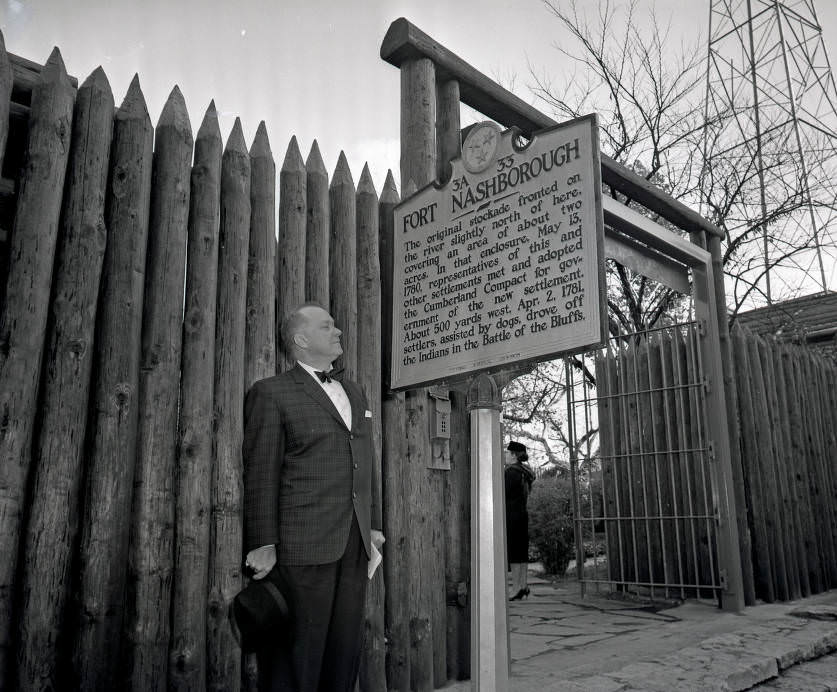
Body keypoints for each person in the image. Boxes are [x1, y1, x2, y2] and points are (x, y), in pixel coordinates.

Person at [242, 302, 385, 691]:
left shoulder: (355, 393)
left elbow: (366, 464)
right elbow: (260, 473)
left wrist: (373, 526)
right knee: (295, 658)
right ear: (302, 339)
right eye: (327, 326)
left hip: (354, 547)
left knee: (343, 653)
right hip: (300, 550)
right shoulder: (270, 394)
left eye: (336, 325)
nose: (338, 332)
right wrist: (263, 542)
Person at [505, 440, 535, 601]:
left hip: (512, 515)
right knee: (522, 551)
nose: (504, 455)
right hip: (522, 514)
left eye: (507, 452)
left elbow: (503, 494)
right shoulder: (525, 471)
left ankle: (516, 588)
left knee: (515, 552)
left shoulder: (511, 473)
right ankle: (523, 585)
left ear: (513, 455)